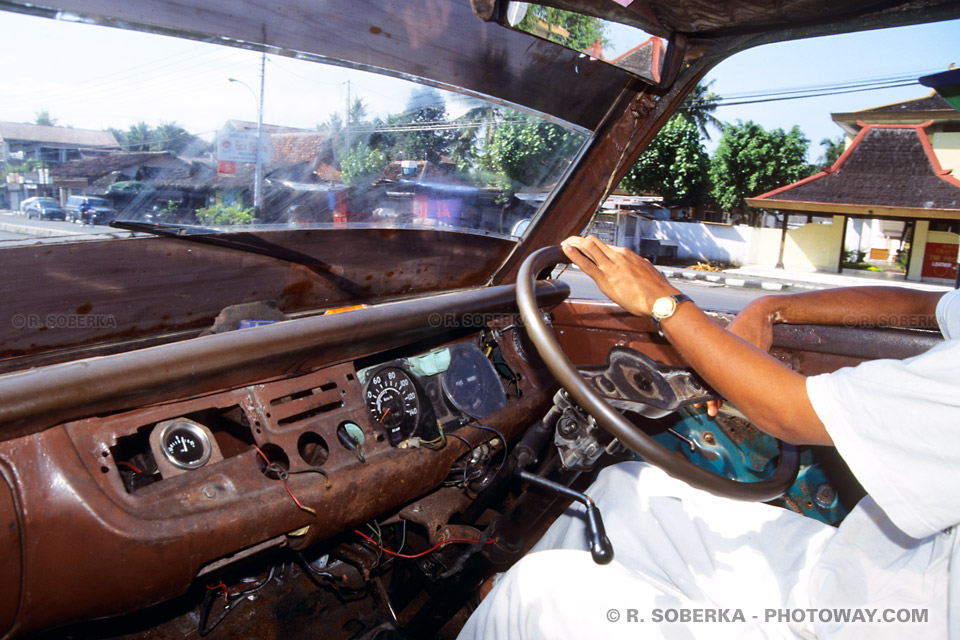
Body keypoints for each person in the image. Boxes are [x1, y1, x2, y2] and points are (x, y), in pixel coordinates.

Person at [459, 235, 960, 639]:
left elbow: (789, 413)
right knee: (623, 490)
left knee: (539, 592)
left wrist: (663, 301)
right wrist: (768, 309)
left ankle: (511, 613)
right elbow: (930, 307)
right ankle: (504, 619)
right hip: (883, 573)